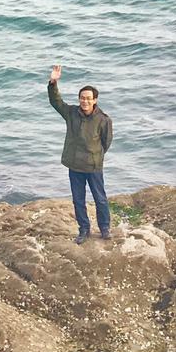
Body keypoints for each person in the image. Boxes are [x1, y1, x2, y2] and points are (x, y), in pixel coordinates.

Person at [48, 65, 113, 244]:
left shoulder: (103, 119)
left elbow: (106, 142)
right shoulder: (71, 113)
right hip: (75, 165)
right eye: (82, 98)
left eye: (88, 98)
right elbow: (56, 102)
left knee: (100, 199)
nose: (84, 101)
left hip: (93, 166)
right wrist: (53, 82)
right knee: (78, 200)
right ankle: (84, 230)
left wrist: (94, 155)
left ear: (95, 100)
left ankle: (105, 228)